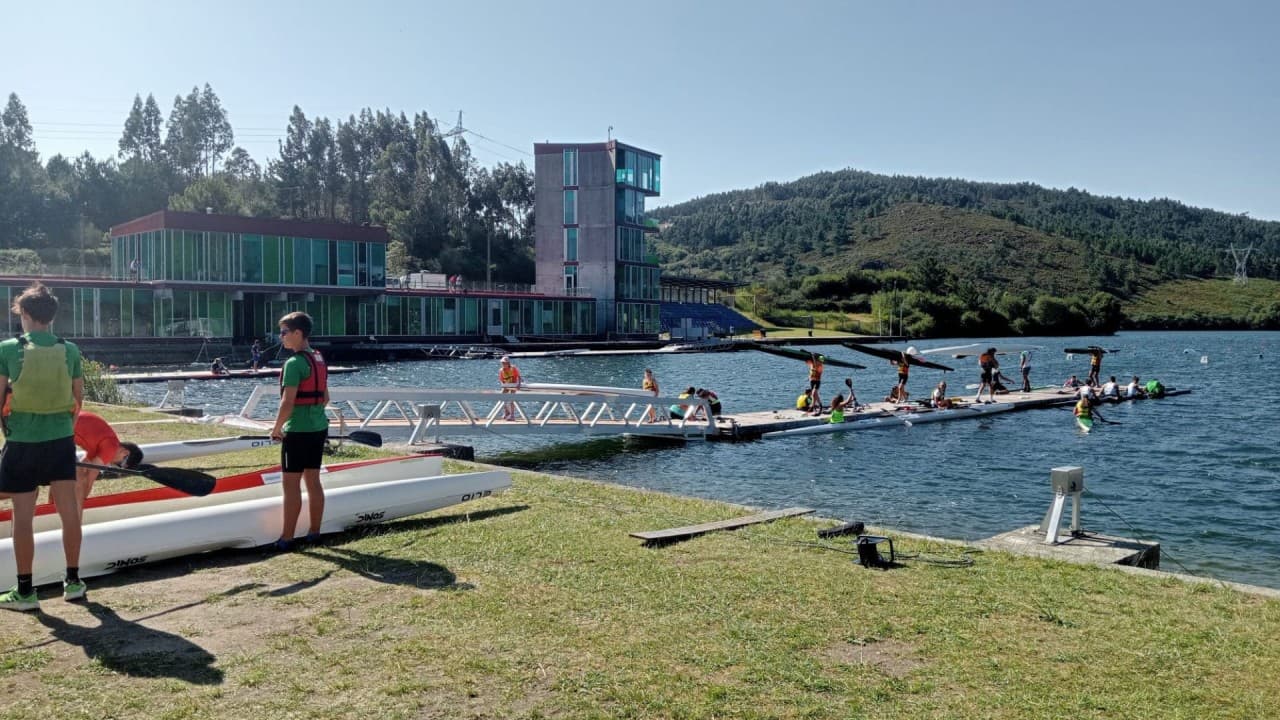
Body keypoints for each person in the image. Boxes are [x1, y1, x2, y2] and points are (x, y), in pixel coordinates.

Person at [0, 283, 86, 610]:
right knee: (69, 513)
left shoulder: (8, 349)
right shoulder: (70, 350)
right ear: (51, 316)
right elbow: (78, 400)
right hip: (60, 441)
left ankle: (25, 592)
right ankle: (73, 582)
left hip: (22, 443)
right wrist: (65, 431)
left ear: (24, 313)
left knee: (22, 517)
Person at [270, 311, 330, 551]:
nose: (281, 337)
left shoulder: (294, 363)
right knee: (313, 481)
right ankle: (314, 533)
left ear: (298, 333)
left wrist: (277, 428)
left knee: (291, 485)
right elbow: (325, 398)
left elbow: (287, 403)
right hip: (318, 428)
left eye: (284, 332)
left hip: (297, 432)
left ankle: (287, 538)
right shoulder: (318, 359)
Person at [71, 410, 144, 519]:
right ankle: (70, 517)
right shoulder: (111, 448)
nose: (112, 464)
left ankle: (53, 505)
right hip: (62, 426)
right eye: (119, 465)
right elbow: (89, 479)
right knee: (73, 476)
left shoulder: (104, 443)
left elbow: (83, 466)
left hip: (65, 422)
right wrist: (83, 502)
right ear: (125, 453)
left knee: (69, 474)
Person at [498, 356, 522, 420]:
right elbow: (501, 380)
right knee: (502, 397)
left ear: (508, 363)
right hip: (507, 385)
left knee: (512, 399)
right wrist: (503, 386)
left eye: (505, 363)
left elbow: (519, 377)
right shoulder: (501, 370)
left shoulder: (513, 368)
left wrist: (519, 384)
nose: (503, 364)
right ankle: (506, 412)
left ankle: (512, 415)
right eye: (502, 363)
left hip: (514, 385)